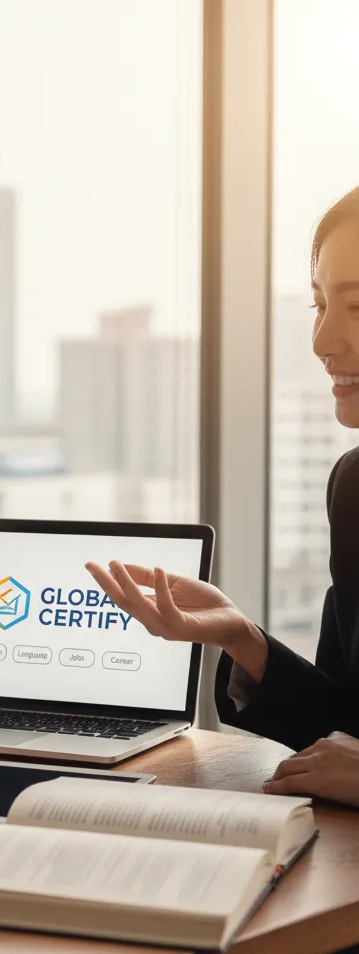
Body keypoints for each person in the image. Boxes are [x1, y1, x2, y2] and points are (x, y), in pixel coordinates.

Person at [86, 185, 359, 807]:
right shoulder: (354, 488)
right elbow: (340, 737)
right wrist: (242, 639)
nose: (323, 342)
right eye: (318, 305)